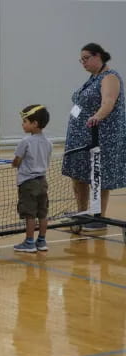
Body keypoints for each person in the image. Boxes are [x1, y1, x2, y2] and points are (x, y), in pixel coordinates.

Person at [62, 43, 126, 231]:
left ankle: (99, 218)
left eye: (86, 58)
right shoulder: (92, 78)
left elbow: (108, 101)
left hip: (100, 137)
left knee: (99, 176)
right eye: (81, 60)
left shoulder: (110, 77)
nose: (83, 63)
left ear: (98, 56)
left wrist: (97, 116)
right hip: (80, 138)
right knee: (78, 175)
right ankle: (83, 214)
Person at [13, 105, 52, 252]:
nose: (22, 124)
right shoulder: (48, 143)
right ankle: (41, 241)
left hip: (28, 184)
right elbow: (46, 161)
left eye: (25, 121)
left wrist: (16, 163)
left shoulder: (25, 142)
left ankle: (29, 242)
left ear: (34, 124)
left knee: (30, 214)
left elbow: (16, 162)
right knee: (42, 213)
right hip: (42, 181)